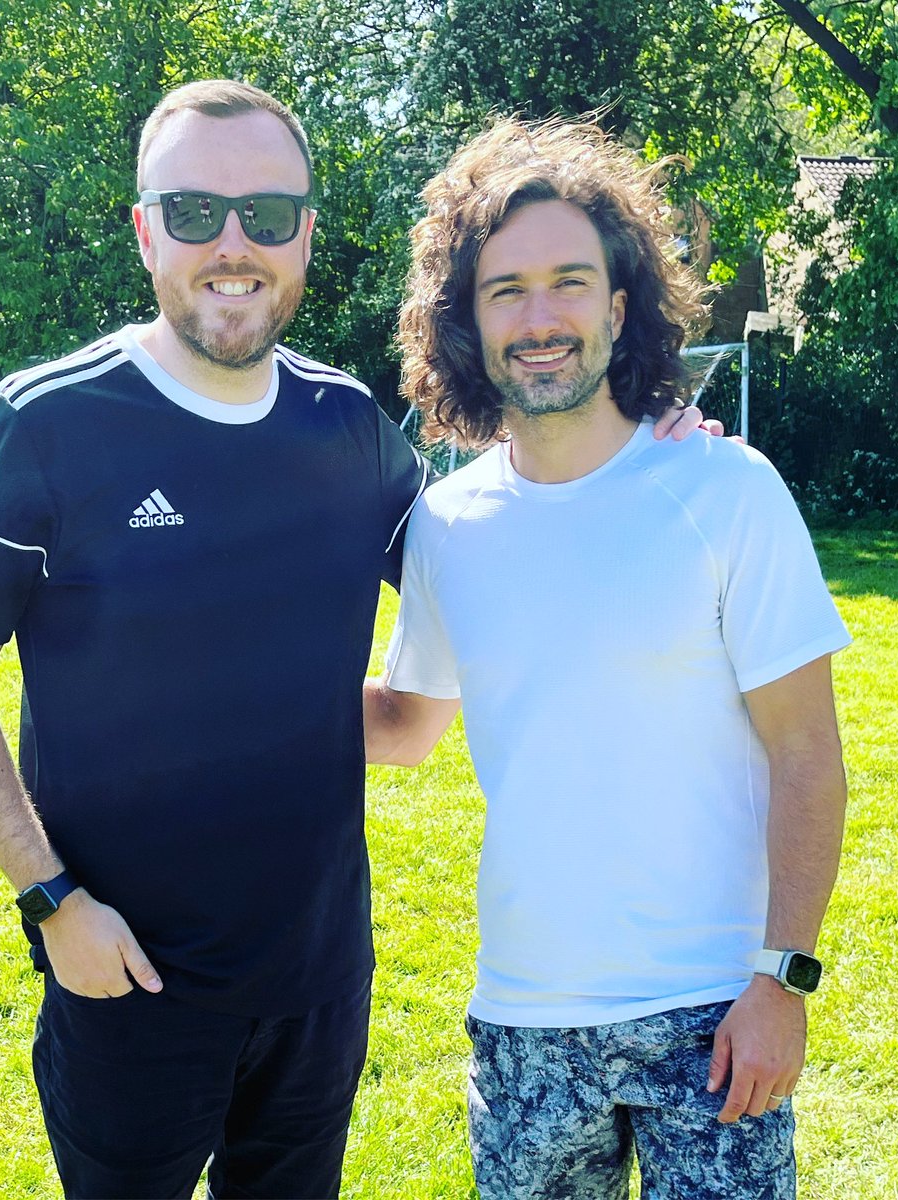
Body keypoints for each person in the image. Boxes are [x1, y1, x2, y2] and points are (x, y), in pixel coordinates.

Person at [0, 82, 708, 1200]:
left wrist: (646, 456)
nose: (232, 246)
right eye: (193, 213)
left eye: (267, 215)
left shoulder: (347, 432)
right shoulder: (46, 424)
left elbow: (496, 542)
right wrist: (52, 902)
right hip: (121, 978)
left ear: (306, 237)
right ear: (145, 230)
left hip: (318, 986)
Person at [364, 116, 850, 1200]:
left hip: (714, 1015)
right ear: (466, 321)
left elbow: (809, 753)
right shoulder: (446, 523)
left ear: (619, 304)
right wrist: (226, 683)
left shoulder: (728, 492)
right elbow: (405, 726)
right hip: (528, 1018)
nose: (541, 320)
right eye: (506, 291)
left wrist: (783, 983)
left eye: (569, 283)